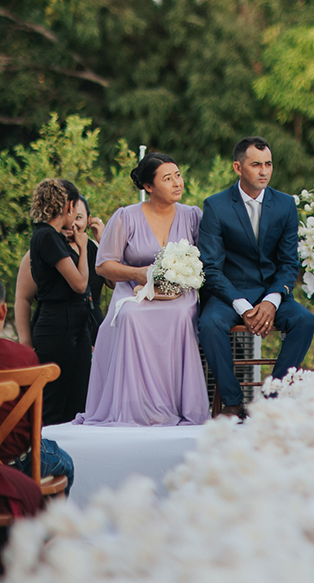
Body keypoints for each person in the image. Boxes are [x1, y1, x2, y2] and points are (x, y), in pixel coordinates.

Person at [75, 153, 209, 426]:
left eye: (178, 175)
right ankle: (134, 406)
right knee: (130, 317)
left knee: (183, 314)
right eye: (167, 178)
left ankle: (177, 403)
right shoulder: (126, 216)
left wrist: (185, 275)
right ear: (149, 186)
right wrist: (138, 273)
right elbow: (104, 265)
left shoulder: (193, 216)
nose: (177, 183)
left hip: (179, 294)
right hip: (134, 291)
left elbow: (208, 259)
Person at [198, 137, 314, 420]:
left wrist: (271, 302)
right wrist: (243, 306)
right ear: (238, 167)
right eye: (256, 165)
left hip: (270, 291)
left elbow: (289, 263)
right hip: (229, 294)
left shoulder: (286, 204)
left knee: (305, 321)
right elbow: (211, 267)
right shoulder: (215, 206)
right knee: (209, 323)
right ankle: (232, 402)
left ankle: (270, 399)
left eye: (268, 164)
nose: (264, 171)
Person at [0, 274, 74, 494]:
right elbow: (34, 428)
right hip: (18, 463)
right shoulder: (22, 357)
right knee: (65, 465)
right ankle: (41, 526)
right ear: (2, 311)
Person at [27, 178, 92, 424]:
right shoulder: (47, 236)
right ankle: (46, 460)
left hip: (75, 323)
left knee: (77, 400)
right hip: (57, 322)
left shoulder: (54, 237)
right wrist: (84, 249)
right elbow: (79, 284)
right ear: (69, 206)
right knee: (54, 403)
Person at [14, 195, 106, 349]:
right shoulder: (41, 251)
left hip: (93, 331)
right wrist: (26, 343)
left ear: (89, 220)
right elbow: (23, 299)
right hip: (56, 332)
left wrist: (104, 242)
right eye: (68, 216)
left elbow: (116, 284)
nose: (72, 223)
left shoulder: (95, 248)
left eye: (78, 217)